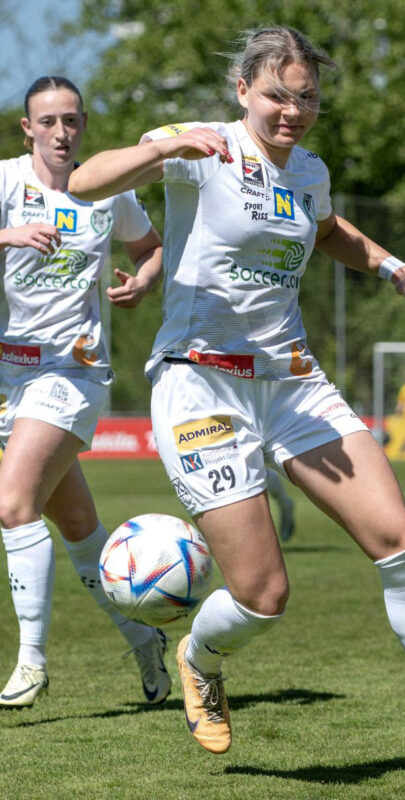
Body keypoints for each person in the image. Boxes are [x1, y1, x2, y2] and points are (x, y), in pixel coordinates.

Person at [69, 27, 405, 768]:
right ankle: (202, 660)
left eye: (307, 97)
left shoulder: (307, 169)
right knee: (261, 594)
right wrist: (164, 148)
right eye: (278, 95)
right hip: (199, 383)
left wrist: (395, 269)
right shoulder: (202, 146)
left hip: (291, 380)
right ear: (244, 90)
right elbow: (86, 180)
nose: (293, 110)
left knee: (400, 543)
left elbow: (326, 232)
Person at [0, 76, 168, 708]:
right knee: (77, 530)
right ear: (27, 128)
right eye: (47, 122)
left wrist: (144, 281)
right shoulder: (7, 182)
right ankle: (143, 638)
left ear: (84, 124)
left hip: (73, 373)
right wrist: (6, 236)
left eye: (71, 121)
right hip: (10, 378)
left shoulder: (106, 188)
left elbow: (150, 248)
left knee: (13, 502)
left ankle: (32, 663)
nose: (60, 133)